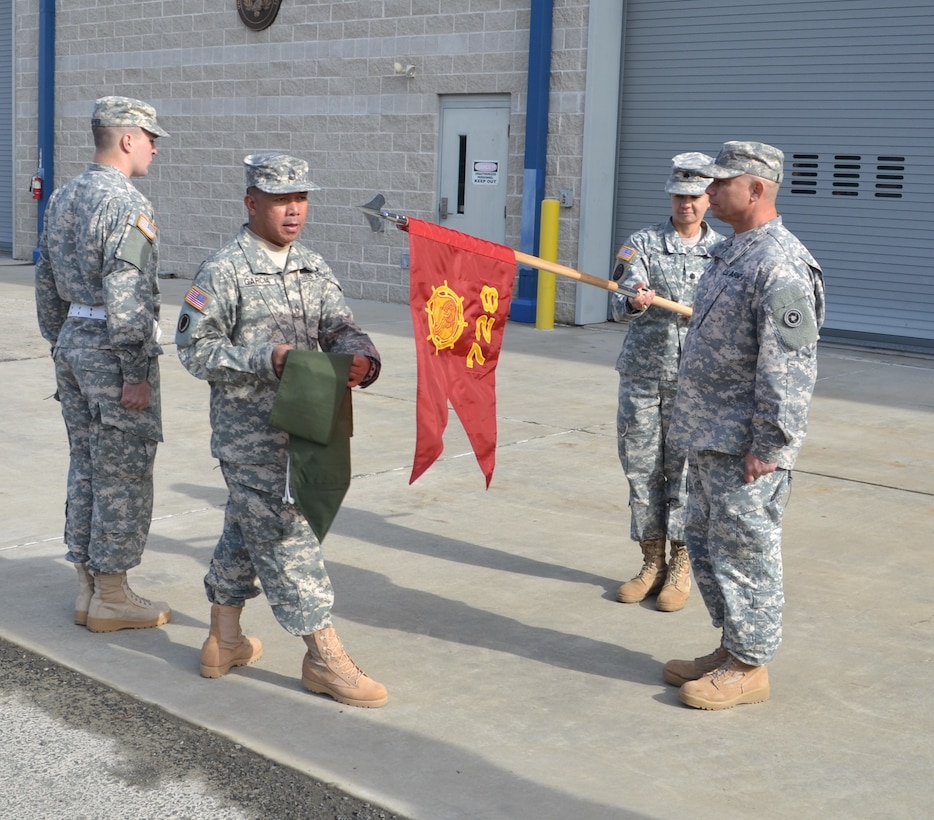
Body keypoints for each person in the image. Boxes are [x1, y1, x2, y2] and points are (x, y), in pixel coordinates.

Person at [175, 152, 388, 708]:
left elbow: (340, 326)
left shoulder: (312, 265)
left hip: (308, 424)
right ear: (251, 203)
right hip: (250, 436)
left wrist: (360, 357)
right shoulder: (224, 269)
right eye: (280, 200)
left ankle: (224, 639)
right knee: (289, 536)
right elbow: (194, 349)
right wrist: (265, 358)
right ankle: (324, 655)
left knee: (248, 526)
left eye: (301, 198)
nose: (293, 210)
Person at [664, 141, 825, 709]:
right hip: (709, 436)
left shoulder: (779, 264)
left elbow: (790, 367)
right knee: (709, 546)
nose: (708, 193)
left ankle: (751, 667)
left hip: (744, 447)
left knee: (748, 553)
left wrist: (770, 444)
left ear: (755, 189)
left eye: (720, 184)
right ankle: (733, 648)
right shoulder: (734, 253)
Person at [35, 96, 172, 633]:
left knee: (87, 462)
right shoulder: (125, 204)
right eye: (151, 137)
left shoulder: (65, 197)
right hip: (113, 348)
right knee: (123, 471)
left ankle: (88, 587)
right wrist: (134, 371)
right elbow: (129, 290)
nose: (156, 148)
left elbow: (46, 281)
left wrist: (61, 340)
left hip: (74, 339)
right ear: (127, 138)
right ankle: (111, 595)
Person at [611, 153, 725, 612]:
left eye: (695, 197)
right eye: (680, 196)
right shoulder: (642, 243)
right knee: (641, 470)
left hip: (695, 382)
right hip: (642, 375)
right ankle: (650, 562)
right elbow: (621, 301)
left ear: (709, 200)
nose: (687, 205)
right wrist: (636, 302)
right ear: (670, 196)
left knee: (684, 474)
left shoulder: (723, 252)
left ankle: (681, 565)